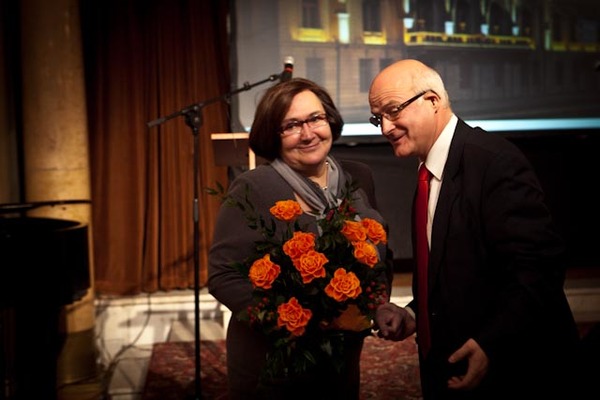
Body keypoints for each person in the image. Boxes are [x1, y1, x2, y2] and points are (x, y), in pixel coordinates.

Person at [369, 59, 581, 399]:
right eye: (377, 118)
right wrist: (413, 313)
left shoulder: (494, 162)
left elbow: (539, 270)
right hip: (452, 366)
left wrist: (492, 343)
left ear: (433, 100)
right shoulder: (428, 172)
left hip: (513, 370)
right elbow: (455, 272)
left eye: (393, 111)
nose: (384, 128)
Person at [208, 77, 392, 399]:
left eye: (315, 118)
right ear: (272, 134)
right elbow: (222, 276)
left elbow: (380, 255)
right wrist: (291, 320)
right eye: (291, 125)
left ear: (330, 120)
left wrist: (377, 305)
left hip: (342, 359)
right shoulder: (254, 187)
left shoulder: (359, 175)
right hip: (274, 365)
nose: (308, 134)